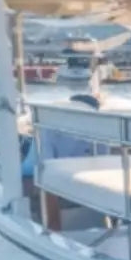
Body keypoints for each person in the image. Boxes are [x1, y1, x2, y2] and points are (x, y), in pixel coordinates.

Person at [21, 93, 103, 231]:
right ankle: (50, 229)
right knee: (44, 185)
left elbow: (101, 168)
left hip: (73, 175)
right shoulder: (49, 128)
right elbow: (47, 173)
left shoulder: (99, 131)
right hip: (33, 175)